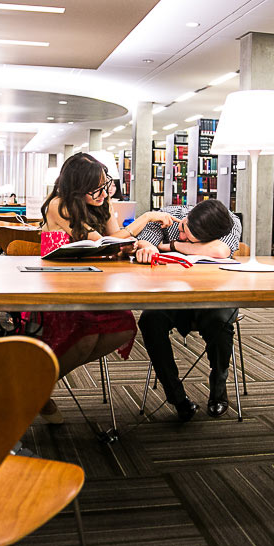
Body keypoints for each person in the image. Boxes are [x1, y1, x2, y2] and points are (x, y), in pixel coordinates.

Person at [35, 153, 176, 423]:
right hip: (57, 287)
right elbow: (103, 242)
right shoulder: (59, 205)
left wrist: (141, 244)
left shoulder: (102, 202)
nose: (103, 193)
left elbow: (115, 241)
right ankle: (39, 389)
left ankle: (39, 382)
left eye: (104, 185)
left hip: (94, 281)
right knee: (87, 336)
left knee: (123, 328)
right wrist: (144, 219)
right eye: (95, 188)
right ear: (77, 187)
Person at [134, 199, 242, 422]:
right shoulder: (166, 217)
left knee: (221, 322)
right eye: (184, 229)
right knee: (149, 320)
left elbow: (220, 251)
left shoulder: (230, 222)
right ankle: (177, 398)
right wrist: (148, 248)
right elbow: (147, 244)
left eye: (192, 240)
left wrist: (172, 246)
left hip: (214, 295)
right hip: (171, 295)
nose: (182, 235)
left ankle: (218, 390)